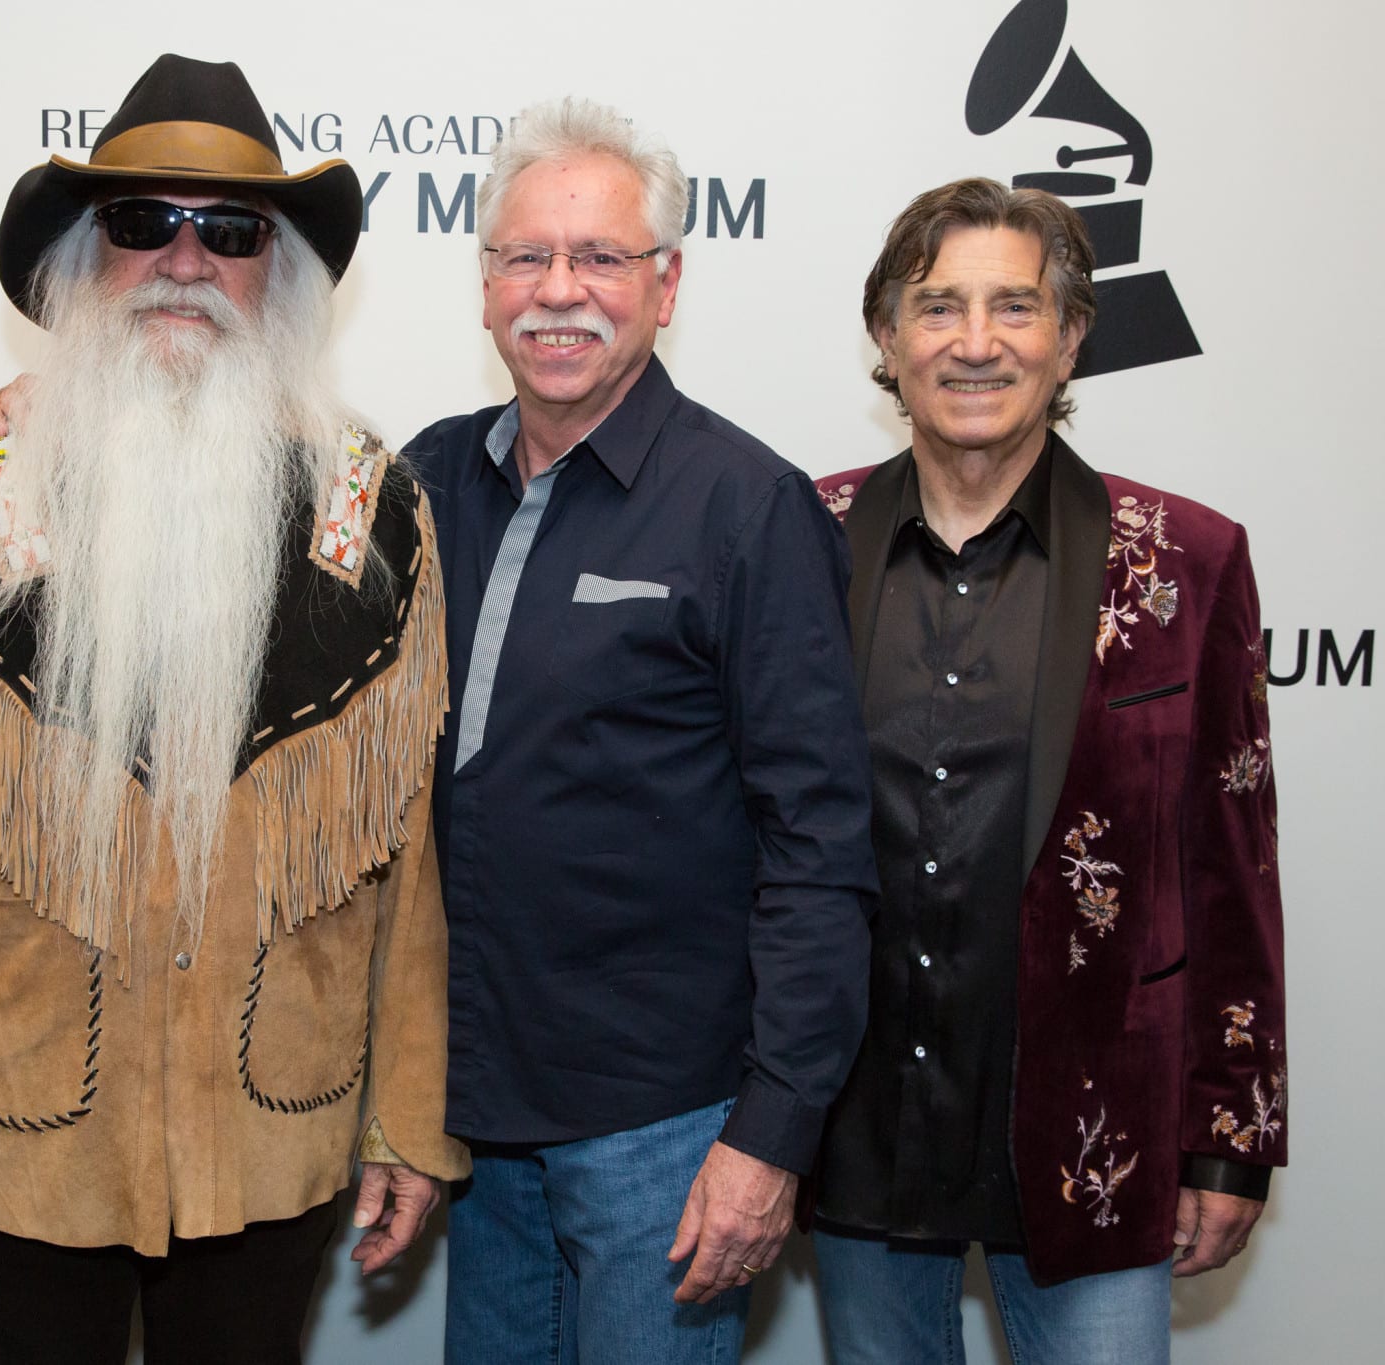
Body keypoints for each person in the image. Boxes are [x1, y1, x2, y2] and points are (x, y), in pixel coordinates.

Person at [0, 54, 467, 1365]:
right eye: (143, 223)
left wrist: (407, 1116)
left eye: (231, 232)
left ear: (280, 272)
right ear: (86, 255)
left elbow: (410, 858)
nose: (185, 261)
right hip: (9, 1150)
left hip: (273, 1139)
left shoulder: (375, 519)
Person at [403, 98, 878, 1363]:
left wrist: (769, 1131)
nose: (558, 291)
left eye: (600, 258)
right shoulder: (422, 481)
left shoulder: (747, 508)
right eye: (523, 257)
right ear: (485, 284)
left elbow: (819, 846)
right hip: (473, 1117)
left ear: (664, 287)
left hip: (664, 1133)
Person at [810, 177, 1286, 1363]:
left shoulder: (1184, 561)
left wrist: (1228, 1134)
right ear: (885, 335)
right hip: (856, 1124)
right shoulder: (796, 541)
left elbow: (1233, 865)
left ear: (1069, 337)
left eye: (1013, 308)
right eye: (936, 307)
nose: (974, 344)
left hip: (1095, 1132)